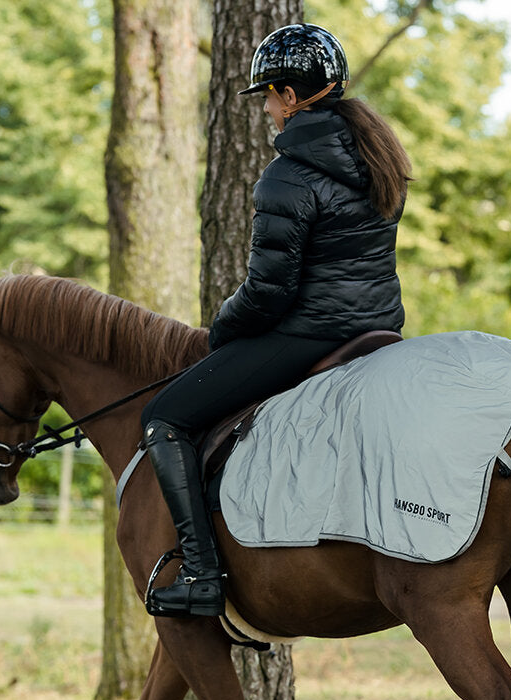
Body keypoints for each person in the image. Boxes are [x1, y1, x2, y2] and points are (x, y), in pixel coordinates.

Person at [140, 23, 412, 618]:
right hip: (376, 331)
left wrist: (220, 332)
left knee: (164, 417)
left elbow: (268, 293)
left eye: (267, 95)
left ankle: (203, 575)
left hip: (308, 334)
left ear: (291, 96)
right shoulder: (377, 158)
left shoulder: (288, 175)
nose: (265, 108)